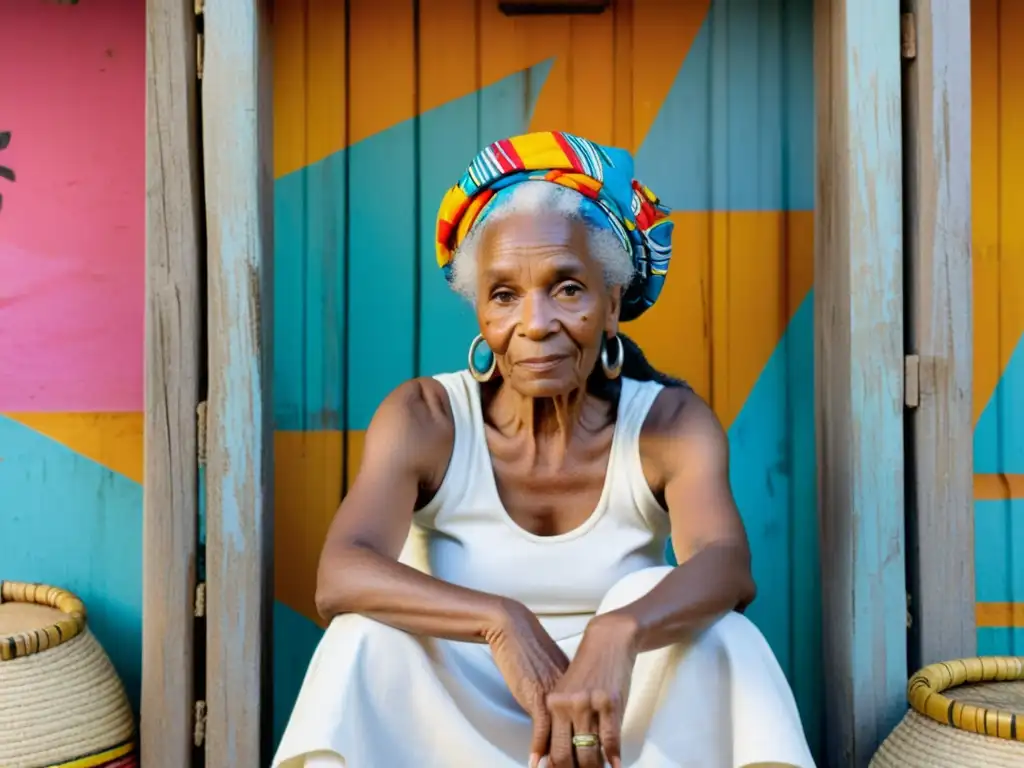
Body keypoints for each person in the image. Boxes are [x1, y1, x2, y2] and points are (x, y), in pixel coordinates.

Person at [272, 131, 814, 768]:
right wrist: (502, 622)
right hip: (456, 726)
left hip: (617, 721)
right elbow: (341, 574)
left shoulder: (668, 422)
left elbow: (726, 565)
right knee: (358, 638)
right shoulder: (426, 418)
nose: (534, 323)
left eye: (567, 289)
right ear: (479, 311)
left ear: (612, 304)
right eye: (504, 295)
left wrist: (617, 633)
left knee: (726, 637)